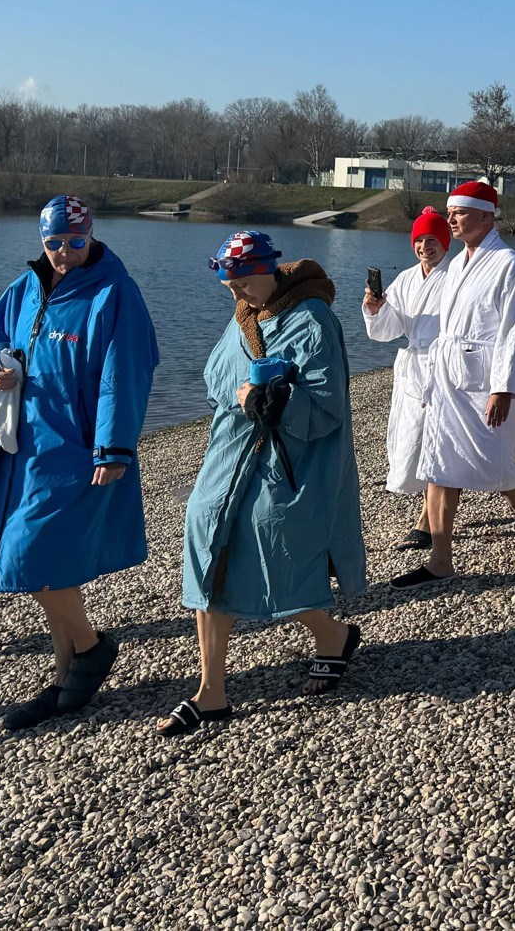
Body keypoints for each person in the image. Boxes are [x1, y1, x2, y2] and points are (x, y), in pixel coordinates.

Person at [0, 194, 159, 731]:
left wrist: (114, 446)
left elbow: (129, 371)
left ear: (91, 235)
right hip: (25, 449)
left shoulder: (114, 292)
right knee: (51, 567)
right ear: (40, 239)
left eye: (75, 242)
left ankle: (92, 651)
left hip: (78, 449)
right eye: (53, 243)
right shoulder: (25, 288)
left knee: (35, 555)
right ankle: (65, 676)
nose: (64, 253)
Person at [165, 231, 366, 737]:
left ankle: (333, 635)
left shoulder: (313, 321)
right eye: (228, 286)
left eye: (243, 284)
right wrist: (243, 399)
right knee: (206, 537)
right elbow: (218, 383)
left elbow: (327, 405)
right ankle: (211, 691)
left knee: (273, 548)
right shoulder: (246, 317)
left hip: (286, 458)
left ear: (270, 270)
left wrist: (273, 402)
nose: (236, 296)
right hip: (228, 455)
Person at [389, 180, 515, 586]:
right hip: (445, 378)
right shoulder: (459, 263)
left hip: (483, 382)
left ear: (486, 215)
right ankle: (441, 561)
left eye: (459, 213)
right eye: (450, 213)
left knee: (496, 468)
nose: (451, 220)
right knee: (438, 464)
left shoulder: (509, 264)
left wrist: (504, 389)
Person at [363, 207, 452, 549]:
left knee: (438, 444)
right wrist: (376, 308)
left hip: (445, 368)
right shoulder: (407, 279)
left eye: (432, 239)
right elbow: (389, 330)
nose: (425, 247)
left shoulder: (457, 275)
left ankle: (427, 524)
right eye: (419, 240)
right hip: (413, 371)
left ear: (445, 242)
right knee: (414, 442)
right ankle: (435, 512)